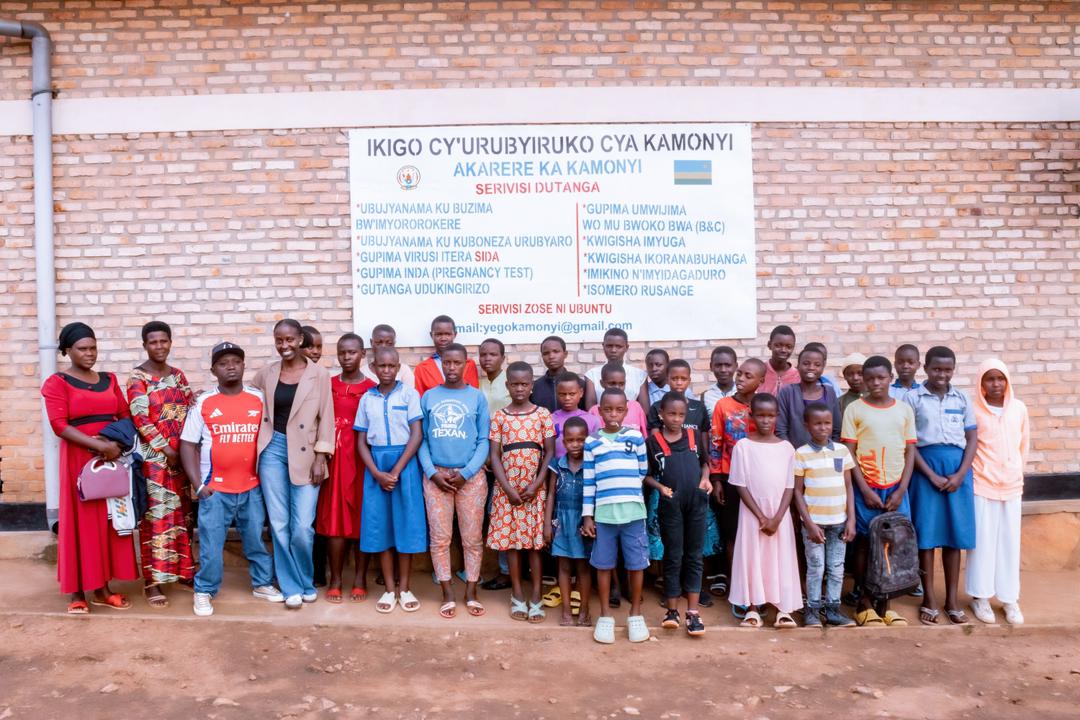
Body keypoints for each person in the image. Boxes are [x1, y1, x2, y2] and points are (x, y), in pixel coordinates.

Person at [180, 342, 283, 616]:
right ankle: (204, 591)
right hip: (216, 490)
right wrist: (199, 486)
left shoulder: (258, 398)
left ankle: (262, 583)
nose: (230, 366)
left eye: (236, 361)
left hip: (252, 487)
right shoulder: (204, 402)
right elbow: (187, 445)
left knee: (256, 541)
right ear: (214, 370)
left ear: (244, 365)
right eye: (223, 363)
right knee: (211, 547)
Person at [42, 322, 138, 614]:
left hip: (111, 458)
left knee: (109, 522)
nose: (89, 353)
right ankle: (76, 593)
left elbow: (124, 414)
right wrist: (98, 446)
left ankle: (103, 589)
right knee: (80, 522)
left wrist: (116, 445)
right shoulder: (56, 383)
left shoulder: (109, 380)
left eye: (93, 347)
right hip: (79, 460)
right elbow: (59, 425)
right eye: (82, 349)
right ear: (67, 351)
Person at [252, 318, 335, 609]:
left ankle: (305, 580)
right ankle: (290, 586)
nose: (284, 346)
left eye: (289, 340)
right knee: (278, 522)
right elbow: (247, 399)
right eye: (279, 340)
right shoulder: (267, 373)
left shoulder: (318, 374)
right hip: (272, 449)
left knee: (302, 526)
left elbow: (327, 418)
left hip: (307, 452)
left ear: (300, 339)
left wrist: (321, 457)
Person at [841, 355, 917, 627]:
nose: (875, 383)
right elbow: (849, 452)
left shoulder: (904, 410)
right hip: (867, 487)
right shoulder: (855, 410)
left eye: (881, 378)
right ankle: (863, 602)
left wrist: (901, 490)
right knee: (864, 543)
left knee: (893, 544)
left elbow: (910, 451)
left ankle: (886, 604)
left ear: (890, 379)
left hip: (896, 487)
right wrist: (864, 490)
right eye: (869, 378)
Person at [905, 346, 978, 626]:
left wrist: (960, 474)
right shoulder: (913, 398)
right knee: (927, 537)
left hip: (957, 470)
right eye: (936, 369)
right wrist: (931, 475)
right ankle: (929, 600)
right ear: (926, 368)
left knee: (954, 535)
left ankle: (951, 601)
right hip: (925, 468)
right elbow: (910, 443)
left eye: (947, 370)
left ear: (953, 370)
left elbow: (971, 439)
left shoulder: (961, 398)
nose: (942, 374)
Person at [125, 320, 194, 608]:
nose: (159, 346)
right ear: (145, 345)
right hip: (154, 461)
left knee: (184, 517)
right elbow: (141, 420)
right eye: (153, 342)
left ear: (170, 342)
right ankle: (151, 582)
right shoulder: (137, 378)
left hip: (182, 459)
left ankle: (182, 572)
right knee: (156, 520)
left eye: (164, 341)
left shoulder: (178, 375)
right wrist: (167, 450)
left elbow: (190, 408)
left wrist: (186, 452)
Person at [418, 343, 490, 619]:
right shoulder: (429, 397)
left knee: (472, 538)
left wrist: (466, 473)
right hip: (436, 475)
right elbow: (421, 439)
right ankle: (447, 592)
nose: (451, 368)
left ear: (465, 365)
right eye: (446, 363)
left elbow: (484, 439)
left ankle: (471, 591)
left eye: (456, 363)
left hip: (469, 477)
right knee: (440, 538)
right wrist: (432, 473)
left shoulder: (476, 398)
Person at [355, 347, 427, 614]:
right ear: (373, 368)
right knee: (380, 526)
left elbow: (416, 435)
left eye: (391, 366)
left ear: (398, 368)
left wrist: (395, 471)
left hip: (404, 464)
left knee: (406, 524)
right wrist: (376, 472)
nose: (386, 371)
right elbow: (361, 442)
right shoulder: (367, 399)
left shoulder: (409, 394)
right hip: (376, 466)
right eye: (381, 366)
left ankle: (404, 588)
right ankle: (388, 589)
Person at [487, 361, 556, 622]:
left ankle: (536, 594)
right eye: (514, 384)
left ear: (531, 386)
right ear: (507, 386)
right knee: (513, 546)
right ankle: (517, 593)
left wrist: (536, 484)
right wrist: (507, 489)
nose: (519, 388)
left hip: (534, 490)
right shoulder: (500, 416)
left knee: (534, 546)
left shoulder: (542, 414)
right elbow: (494, 455)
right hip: (508, 492)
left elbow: (549, 451)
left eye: (524, 384)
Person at [581, 388, 651, 644]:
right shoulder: (592, 442)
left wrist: (625, 491)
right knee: (603, 564)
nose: (613, 415)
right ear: (599, 412)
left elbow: (642, 471)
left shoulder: (635, 437)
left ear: (626, 411)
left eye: (619, 410)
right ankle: (605, 617)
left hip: (633, 512)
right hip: (604, 515)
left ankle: (635, 614)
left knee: (636, 563)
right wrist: (588, 516)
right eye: (607, 410)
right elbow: (589, 481)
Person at [727, 393, 800, 628]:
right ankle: (752, 608)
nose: (766, 421)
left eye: (770, 416)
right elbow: (740, 484)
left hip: (779, 514)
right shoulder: (743, 447)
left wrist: (777, 518)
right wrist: (761, 517)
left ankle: (782, 608)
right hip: (752, 514)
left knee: (780, 556)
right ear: (752, 416)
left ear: (777, 416)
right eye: (760, 415)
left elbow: (790, 485)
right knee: (753, 556)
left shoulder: (787, 448)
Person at [966, 358, 1029, 625]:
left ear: (1007, 381)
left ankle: (1009, 599)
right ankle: (980, 597)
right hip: (982, 484)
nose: (995, 384)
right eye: (989, 379)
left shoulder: (1018, 409)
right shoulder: (974, 410)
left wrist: (1016, 471)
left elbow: (1023, 444)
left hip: (1012, 486)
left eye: (1000, 378)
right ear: (981, 383)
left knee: (1009, 543)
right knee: (983, 543)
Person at [645, 393, 712, 637]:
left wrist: (705, 480)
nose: (676, 419)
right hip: (670, 504)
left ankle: (693, 613)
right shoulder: (653, 442)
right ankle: (671, 610)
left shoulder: (693, 437)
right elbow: (647, 474)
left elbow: (706, 462)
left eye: (681, 415)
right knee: (673, 556)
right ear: (661, 413)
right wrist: (660, 488)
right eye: (671, 414)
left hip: (696, 501)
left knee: (694, 556)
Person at [316, 334, 376, 603]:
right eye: (342, 352)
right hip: (335, 457)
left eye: (352, 352)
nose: (347, 357)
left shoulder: (372, 388)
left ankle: (360, 577)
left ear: (362, 354)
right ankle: (336, 578)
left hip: (363, 457)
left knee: (362, 517)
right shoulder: (327, 385)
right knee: (336, 518)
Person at [708, 358, 765, 613]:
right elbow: (716, 444)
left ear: (760, 382)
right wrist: (717, 479)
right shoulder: (724, 405)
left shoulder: (764, 406)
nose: (740, 378)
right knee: (733, 534)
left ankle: (760, 589)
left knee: (758, 533)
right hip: (731, 479)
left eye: (747, 375)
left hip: (762, 481)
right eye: (739, 373)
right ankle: (738, 587)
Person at [792, 402, 857, 627]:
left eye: (827, 423)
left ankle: (833, 610)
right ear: (807, 425)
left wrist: (852, 520)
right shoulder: (801, 454)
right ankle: (812, 610)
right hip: (814, 524)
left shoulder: (841, 451)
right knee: (816, 567)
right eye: (817, 423)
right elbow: (797, 493)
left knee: (836, 568)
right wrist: (808, 524)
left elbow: (849, 486)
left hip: (839, 523)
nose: (822, 428)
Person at [544, 417, 592, 627]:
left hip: (583, 521)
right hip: (562, 520)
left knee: (583, 568)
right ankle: (565, 611)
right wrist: (547, 524)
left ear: (587, 440)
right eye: (571, 440)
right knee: (563, 566)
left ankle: (584, 609)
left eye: (580, 440)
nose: (575, 444)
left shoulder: (592, 464)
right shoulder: (557, 464)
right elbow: (551, 494)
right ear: (563, 442)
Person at [776, 345, 842, 450]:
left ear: (823, 367)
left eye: (817, 364)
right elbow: (780, 430)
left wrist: (830, 452)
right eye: (806, 363)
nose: (811, 367)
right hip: (795, 457)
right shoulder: (787, 392)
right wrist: (795, 454)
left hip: (826, 458)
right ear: (797, 366)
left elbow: (836, 429)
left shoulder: (829, 392)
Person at [414, 315, 479, 396]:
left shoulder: (469, 364)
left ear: (454, 334)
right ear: (431, 335)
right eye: (438, 334)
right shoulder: (422, 369)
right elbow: (420, 400)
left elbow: (474, 395)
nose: (443, 338)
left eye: (447, 334)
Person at [531, 335, 595, 411]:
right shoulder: (535, 387)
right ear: (542, 356)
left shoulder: (580, 384)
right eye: (546, 353)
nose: (551, 356)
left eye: (556, 351)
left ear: (565, 354)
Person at [585, 328, 647, 399]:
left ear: (626, 347)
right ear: (603, 346)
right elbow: (591, 408)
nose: (613, 350)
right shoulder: (592, 375)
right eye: (609, 346)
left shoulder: (639, 375)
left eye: (618, 346)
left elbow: (643, 409)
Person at [551, 371, 600, 458]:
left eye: (572, 394)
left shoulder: (592, 420)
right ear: (556, 394)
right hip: (557, 469)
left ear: (581, 393)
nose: (567, 398)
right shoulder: (551, 419)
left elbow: (596, 450)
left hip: (584, 468)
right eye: (562, 394)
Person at [587, 363, 647, 434]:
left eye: (621, 384)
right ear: (602, 383)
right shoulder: (594, 411)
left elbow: (644, 435)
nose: (617, 387)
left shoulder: (636, 407)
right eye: (612, 383)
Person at [361, 323, 415, 388]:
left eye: (389, 343)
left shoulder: (404, 371)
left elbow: (410, 395)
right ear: (371, 342)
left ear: (394, 344)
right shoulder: (363, 372)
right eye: (378, 343)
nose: (384, 347)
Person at [759, 325, 799, 396]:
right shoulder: (759, 371)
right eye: (778, 345)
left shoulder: (797, 376)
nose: (783, 350)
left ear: (793, 348)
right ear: (769, 345)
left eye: (788, 347)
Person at [702, 346, 738, 417]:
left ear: (736, 366)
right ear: (711, 367)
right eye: (718, 365)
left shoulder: (747, 394)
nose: (723, 370)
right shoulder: (703, 398)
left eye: (728, 365)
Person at [637, 348, 670, 414]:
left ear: (668, 365)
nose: (654, 369)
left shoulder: (681, 390)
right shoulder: (642, 393)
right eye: (650, 365)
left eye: (658, 365)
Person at [837, 352, 868, 417]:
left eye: (860, 374)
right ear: (844, 376)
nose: (855, 378)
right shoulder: (839, 402)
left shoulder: (876, 398)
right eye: (850, 374)